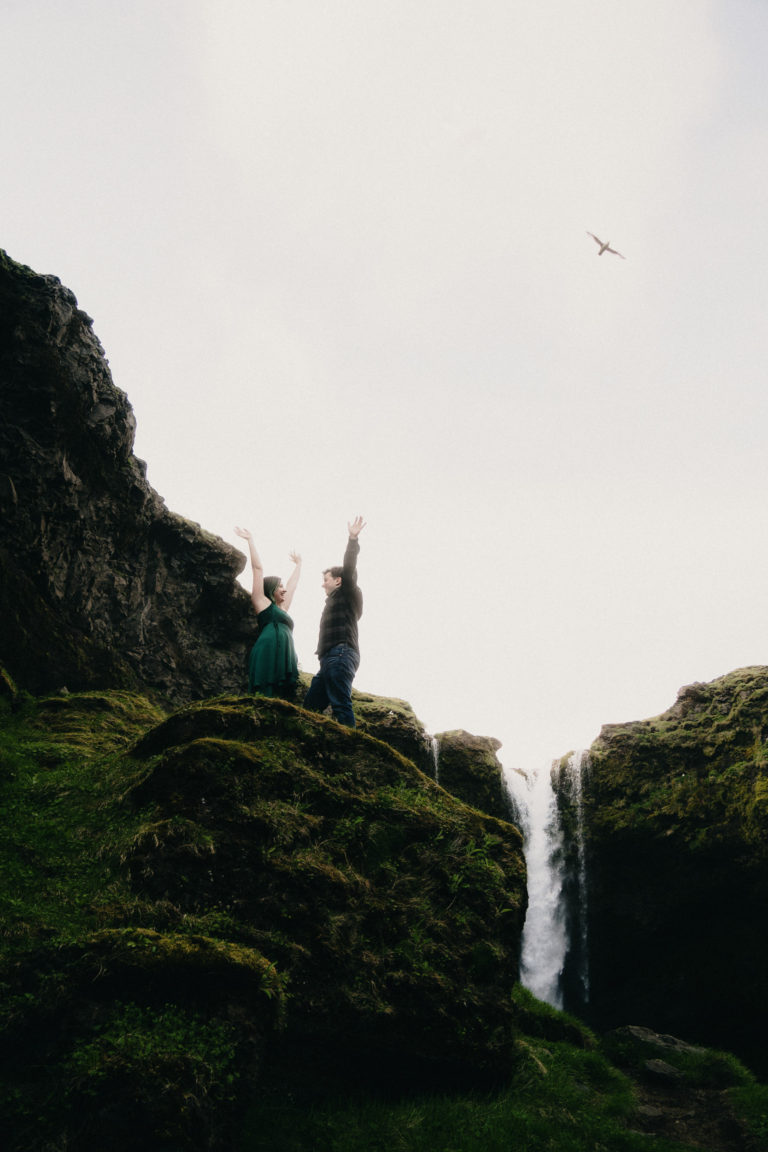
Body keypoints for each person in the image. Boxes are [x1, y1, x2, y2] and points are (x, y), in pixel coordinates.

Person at [303, 516, 365, 727]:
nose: (323, 585)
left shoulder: (347, 593)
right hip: (329, 659)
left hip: (341, 654)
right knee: (309, 707)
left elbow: (349, 568)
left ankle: (353, 748)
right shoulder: (334, 601)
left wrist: (352, 540)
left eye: (326, 580)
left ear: (338, 581)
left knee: (340, 704)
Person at [234, 526, 302, 699]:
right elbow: (258, 569)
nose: (284, 589)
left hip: (285, 650)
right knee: (265, 691)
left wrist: (299, 565)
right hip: (268, 648)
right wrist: (250, 540)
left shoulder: (283, 609)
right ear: (271, 589)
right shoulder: (262, 603)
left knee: (283, 695)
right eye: (280, 586)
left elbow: (292, 586)